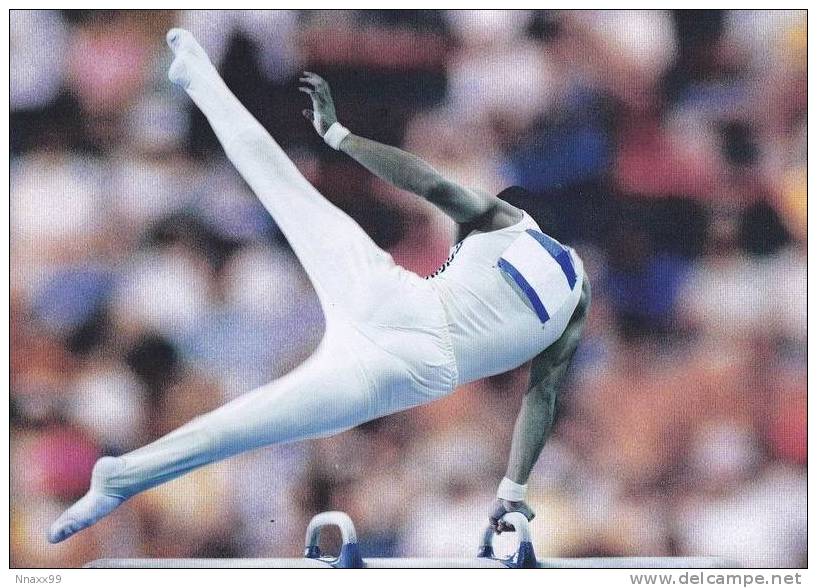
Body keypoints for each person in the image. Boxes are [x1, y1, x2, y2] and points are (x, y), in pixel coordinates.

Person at [48, 29, 591, 545]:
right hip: (411, 372)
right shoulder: (578, 300)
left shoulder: (508, 220)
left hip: (396, 300)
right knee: (245, 427)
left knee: (282, 184)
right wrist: (513, 490)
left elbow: (428, 181)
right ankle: (122, 477)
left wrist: (340, 136)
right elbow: (540, 397)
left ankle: (199, 76)